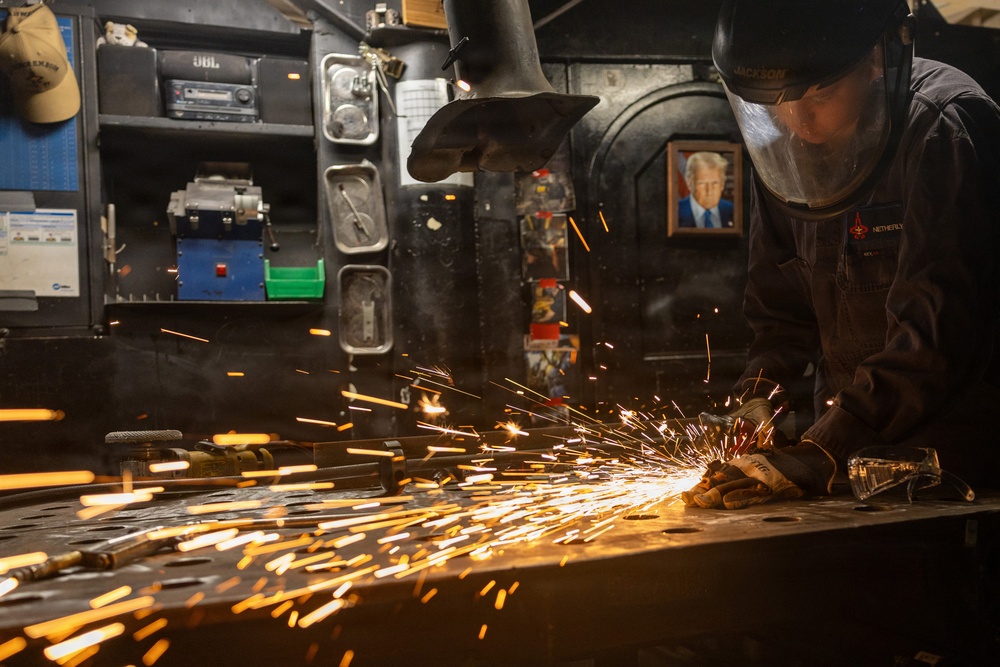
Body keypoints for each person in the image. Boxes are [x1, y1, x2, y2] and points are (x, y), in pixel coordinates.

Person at [684, 0, 1000, 510]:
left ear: (878, 57)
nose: (798, 119)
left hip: (964, 469)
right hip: (847, 462)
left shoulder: (942, 126)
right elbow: (780, 311)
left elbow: (938, 333)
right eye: (777, 103)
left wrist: (825, 448)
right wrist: (759, 395)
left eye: (821, 93)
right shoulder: (787, 146)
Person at [676, 151, 736, 229]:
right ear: (689, 183)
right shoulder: (675, 213)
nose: (709, 191)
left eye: (715, 183)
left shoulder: (733, 211)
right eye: (702, 183)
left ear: (722, 184)